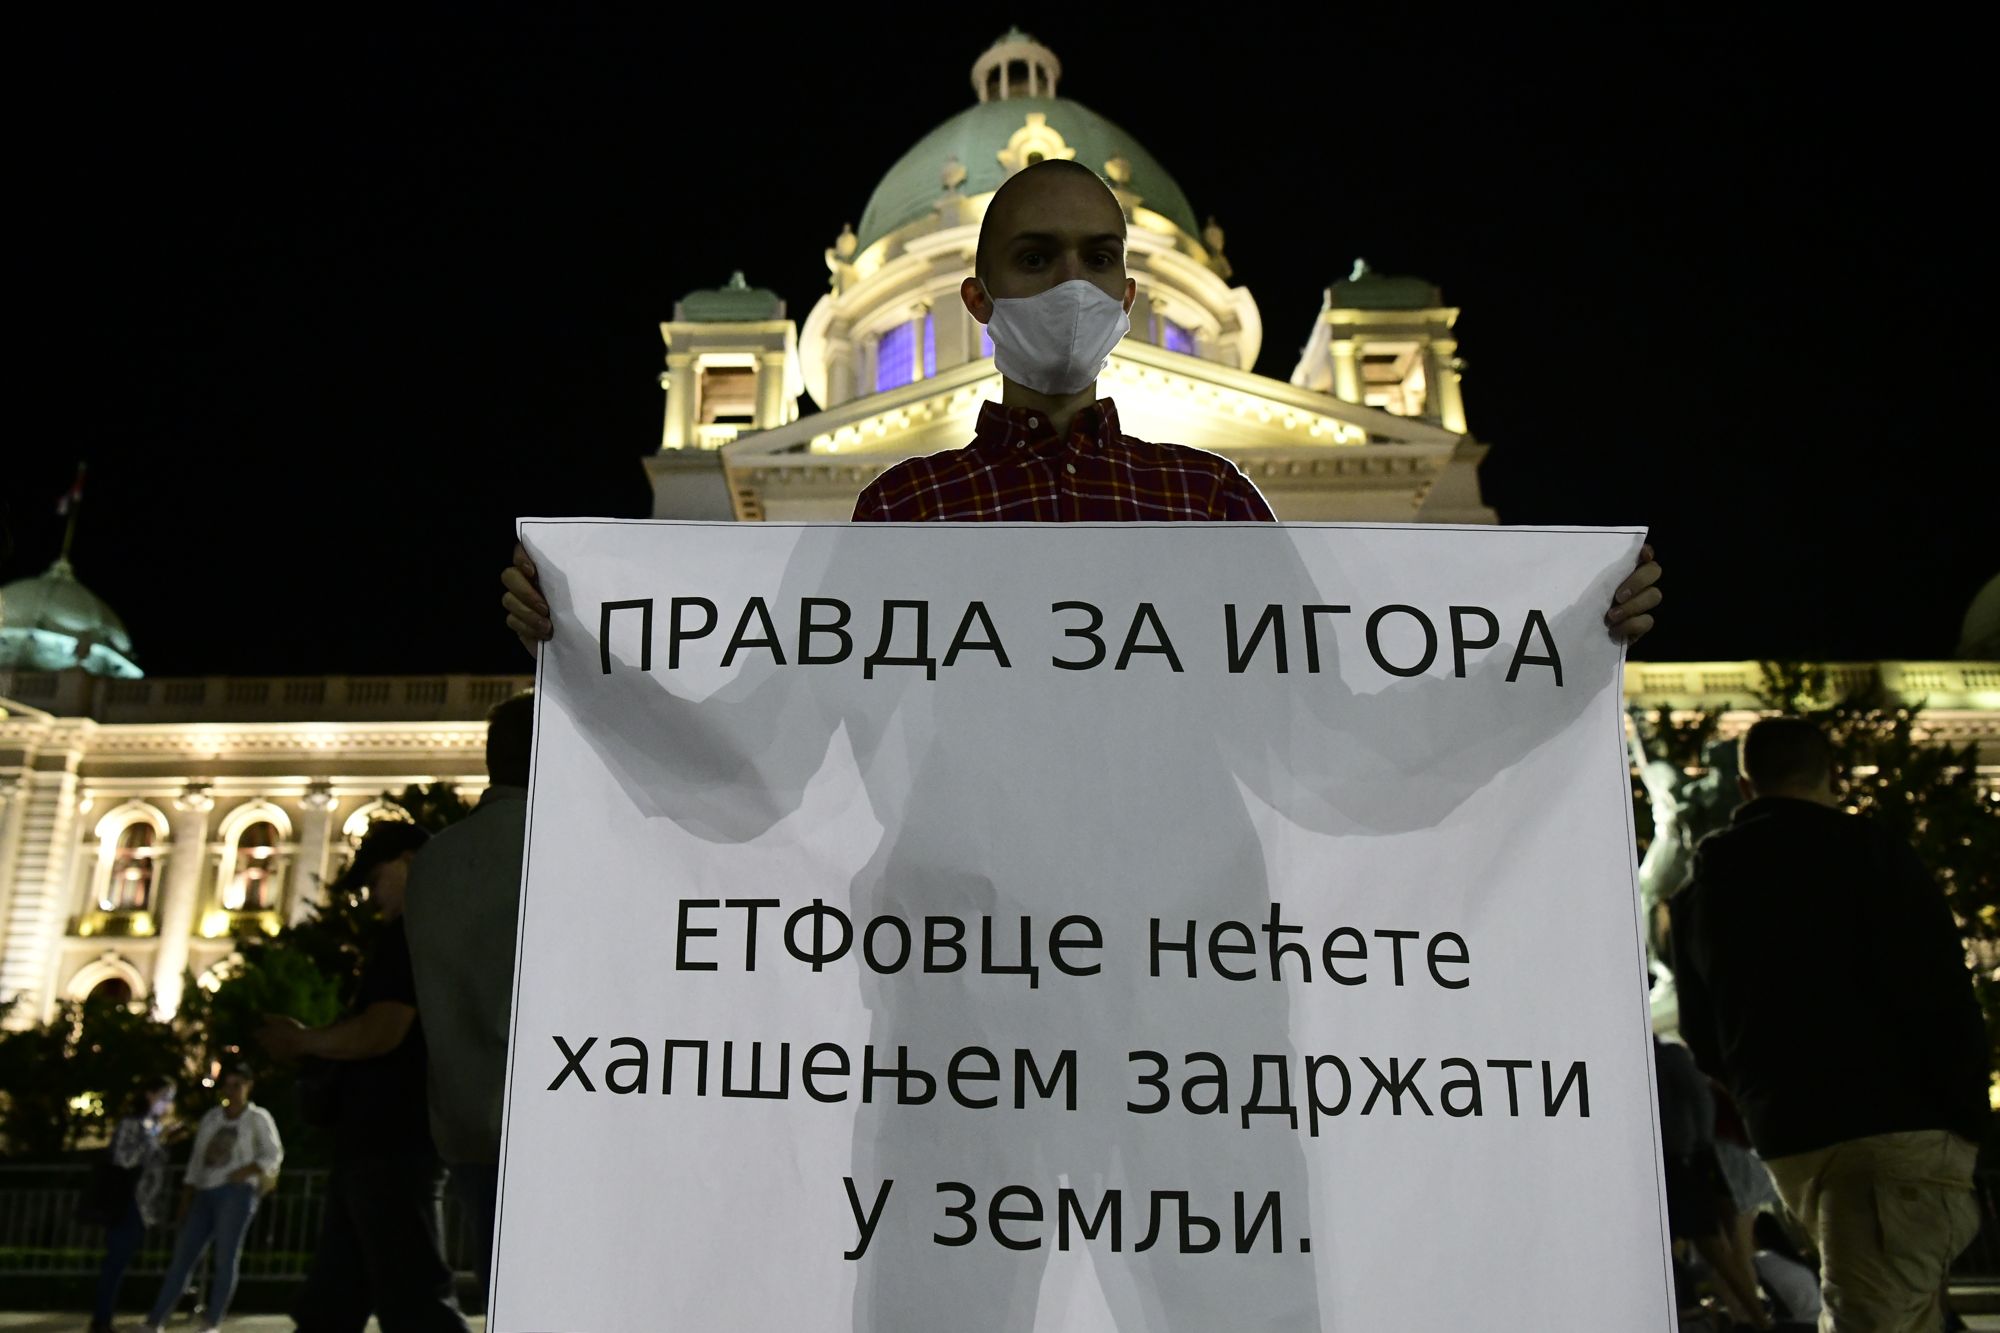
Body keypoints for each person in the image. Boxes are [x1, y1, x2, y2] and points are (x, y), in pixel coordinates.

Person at [498, 160, 1668, 1328]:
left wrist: (1555, 650)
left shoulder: (1208, 503)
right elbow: (768, 752)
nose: (1073, 281)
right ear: (976, 298)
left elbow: (1337, 744)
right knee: (941, 1298)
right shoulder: (902, 511)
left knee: (1231, 1295)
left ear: (1130, 289)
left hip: (1187, 986)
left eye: (1099, 256)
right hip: (963, 988)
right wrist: (596, 658)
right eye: (1036, 257)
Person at [1673, 716, 1989, 1332]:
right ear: (1835, 777)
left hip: (1794, 1135)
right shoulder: (1876, 856)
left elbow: (1701, 1032)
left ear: (1744, 787)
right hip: (1902, 1124)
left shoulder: (1703, 887)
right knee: (1876, 1314)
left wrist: (1761, 1094)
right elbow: (1942, 993)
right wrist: (1964, 1118)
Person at [259, 819, 471, 1333]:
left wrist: (303, 1040)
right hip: (377, 1143)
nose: (369, 896)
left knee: (412, 1298)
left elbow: (383, 1030)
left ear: (409, 862)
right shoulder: (424, 929)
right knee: (339, 1300)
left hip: (391, 1142)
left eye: (375, 879)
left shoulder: (411, 932)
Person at [402, 690, 533, 1301]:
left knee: (508, 1299)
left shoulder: (432, 860)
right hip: (555, 1127)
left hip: (468, 1130)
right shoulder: (562, 844)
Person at [138, 1066, 281, 1333]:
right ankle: (156, 1320)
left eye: (238, 1085)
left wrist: (247, 1171)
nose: (232, 1091)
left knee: (225, 1258)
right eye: (228, 1085)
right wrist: (187, 1195)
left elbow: (272, 1153)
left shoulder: (257, 1118)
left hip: (236, 1192)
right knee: (184, 1256)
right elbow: (197, 1159)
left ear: (248, 1086)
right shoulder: (213, 1117)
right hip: (205, 1191)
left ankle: (211, 1321)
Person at [88, 1077, 176, 1333]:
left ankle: (104, 1317)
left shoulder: (153, 1125)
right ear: (150, 1095)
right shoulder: (133, 1124)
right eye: (165, 1096)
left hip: (144, 1205)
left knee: (120, 1261)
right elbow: (124, 1158)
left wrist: (162, 1139)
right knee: (114, 1262)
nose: (168, 1103)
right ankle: (101, 1320)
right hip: (128, 1202)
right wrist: (155, 1139)